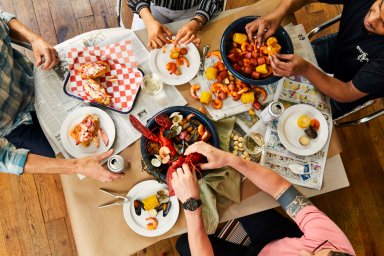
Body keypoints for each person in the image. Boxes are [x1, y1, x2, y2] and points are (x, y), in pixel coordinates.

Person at [0, 10, 124, 183]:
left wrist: (34, 38)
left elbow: (2, 18)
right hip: (15, 129)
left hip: (30, 78)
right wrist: (77, 166)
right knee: (81, 155)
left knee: (110, 111)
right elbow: (5, 157)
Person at [172, 141, 355, 255]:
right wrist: (230, 159)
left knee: (183, 244)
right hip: (277, 238)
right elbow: (281, 189)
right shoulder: (333, 243)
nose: (305, 252)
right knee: (238, 193)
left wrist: (191, 205)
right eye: (316, 253)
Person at [244, 0, 384, 118]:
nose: (371, 19)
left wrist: (305, 69)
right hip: (338, 47)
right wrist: (279, 12)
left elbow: (348, 91)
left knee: (304, 118)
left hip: (350, 86)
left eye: (383, 23)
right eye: (379, 6)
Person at [127, 0, 224, 48]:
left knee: (196, 48)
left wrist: (198, 21)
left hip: (194, 10)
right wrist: (148, 21)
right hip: (151, 8)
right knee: (136, 46)